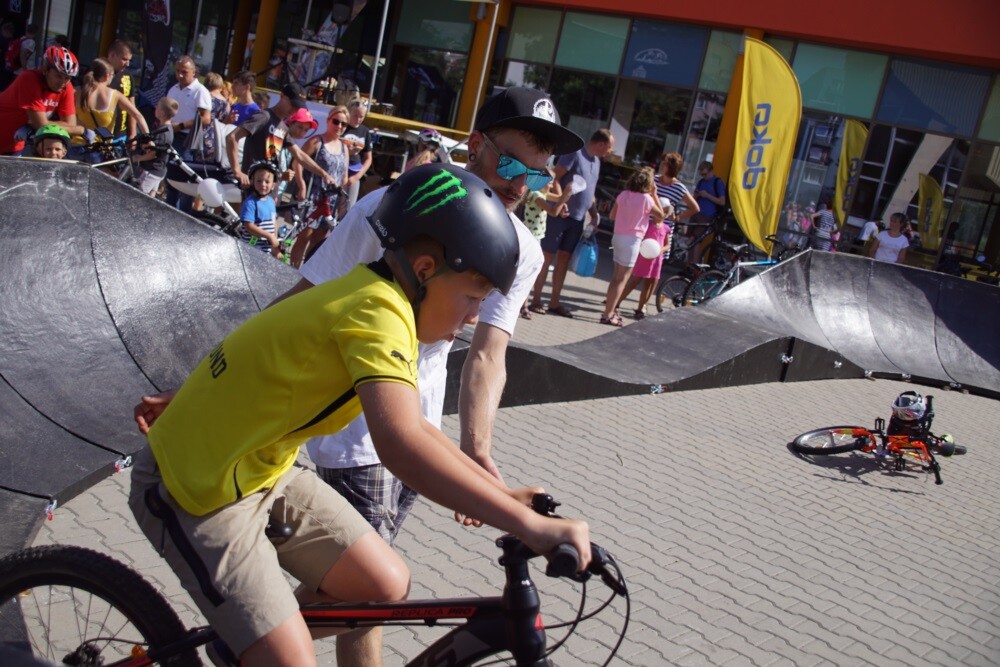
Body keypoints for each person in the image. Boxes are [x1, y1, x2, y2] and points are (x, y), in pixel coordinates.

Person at [133, 87, 583, 664]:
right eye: (472, 298)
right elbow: (393, 429)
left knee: (384, 586)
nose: (475, 317)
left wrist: (491, 480)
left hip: (283, 457)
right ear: (425, 268)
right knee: (297, 653)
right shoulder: (385, 273)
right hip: (204, 484)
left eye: (539, 175)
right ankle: (256, 641)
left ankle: (252, 637)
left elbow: (470, 372)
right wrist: (526, 523)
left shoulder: (407, 290)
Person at [528, 128, 615, 318]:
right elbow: (556, 177)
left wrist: (594, 215)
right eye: (609, 147)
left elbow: (590, 192)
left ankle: (554, 303)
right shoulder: (575, 153)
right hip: (560, 216)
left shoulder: (597, 162)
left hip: (578, 219)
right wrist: (562, 202)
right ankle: (535, 300)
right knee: (546, 257)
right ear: (601, 144)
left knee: (564, 260)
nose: (610, 151)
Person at [225, 82, 336, 189]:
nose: (294, 110)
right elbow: (232, 137)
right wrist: (237, 171)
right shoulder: (265, 116)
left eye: (298, 107)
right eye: (292, 104)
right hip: (253, 187)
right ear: (282, 96)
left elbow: (299, 155)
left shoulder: (283, 127)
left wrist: (324, 174)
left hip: (268, 189)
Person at [600, 168, 664, 326]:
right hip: (632, 240)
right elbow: (661, 215)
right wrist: (654, 194)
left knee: (616, 278)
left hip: (617, 237)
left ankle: (609, 310)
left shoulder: (623, 194)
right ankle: (609, 314)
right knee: (622, 279)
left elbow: (612, 216)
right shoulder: (647, 199)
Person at [289, 104, 350, 268]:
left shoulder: (344, 147)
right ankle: (292, 270)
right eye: (336, 121)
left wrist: (342, 201)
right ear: (328, 120)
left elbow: (344, 176)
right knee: (304, 237)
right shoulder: (317, 141)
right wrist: (301, 185)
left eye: (344, 124)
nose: (339, 126)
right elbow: (298, 161)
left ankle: (307, 272)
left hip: (331, 202)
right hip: (315, 197)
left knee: (319, 241)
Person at [0, 45, 86, 156]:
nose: (63, 82)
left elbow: (70, 124)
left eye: (67, 78)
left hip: (14, 145)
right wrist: (80, 130)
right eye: (58, 76)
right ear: (45, 70)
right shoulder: (29, 79)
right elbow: (41, 125)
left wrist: (39, 125)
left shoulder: (66, 87)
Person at [164, 55, 211, 211]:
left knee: (185, 180)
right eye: (177, 71)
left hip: (187, 139)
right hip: (172, 136)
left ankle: (183, 213)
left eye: (184, 72)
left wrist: (180, 126)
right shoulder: (174, 88)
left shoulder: (200, 91)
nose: (180, 75)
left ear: (193, 72)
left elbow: (205, 119)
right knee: (171, 177)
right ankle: (170, 209)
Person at [74, 57, 149, 151]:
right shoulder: (115, 95)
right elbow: (138, 116)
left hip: (76, 147)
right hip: (99, 150)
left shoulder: (76, 91)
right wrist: (148, 139)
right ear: (107, 76)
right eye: (112, 75)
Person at [519, 167, 564, 319]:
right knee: (527, 272)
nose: (551, 185)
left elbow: (558, 198)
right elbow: (553, 211)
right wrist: (566, 196)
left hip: (536, 237)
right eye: (550, 182)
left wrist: (564, 199)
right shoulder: (537, 195)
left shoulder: (542, 193)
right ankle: (523, 305)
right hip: (531, 237)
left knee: (529, 271)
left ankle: (523, 305)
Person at [618, 199, 673, 318]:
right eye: (660, 211)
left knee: (649, 284)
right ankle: (617, 301)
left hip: (656, 260)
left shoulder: (666, 228)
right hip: (643, 258)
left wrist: (660, 250)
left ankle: (641, 307)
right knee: (634, 281)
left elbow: (667, 244)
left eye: (665, 212)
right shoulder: (647, 224)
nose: (662, 214)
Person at [654, 151, 699, 256]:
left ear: (671, 167)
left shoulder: (679, 187)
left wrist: (678, 218)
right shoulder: (654, 180)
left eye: (664, 163)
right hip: (647, 225)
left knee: (657, 259)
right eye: (662, 162)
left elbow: (695, 208)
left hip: (663, 229)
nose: (661, 165)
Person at [133, 96, 178, 197]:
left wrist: (138, 158)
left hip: (151, 172)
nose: (155, 108)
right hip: (158, 171)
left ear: (162, 113)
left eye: (157, 106)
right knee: (150, 198)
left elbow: (154, 154)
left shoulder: (163, 133)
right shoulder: (167, 128)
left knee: (138, 196)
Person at [239, 160, 282, 257]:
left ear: (273, 186)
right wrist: (269, 236)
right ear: (252, 182)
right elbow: (249, 226)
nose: (263, 184)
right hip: (250, 248)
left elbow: (273, 223)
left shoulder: (271, 202)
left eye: (267, 182)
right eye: (259, 181)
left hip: (265, 250)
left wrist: (275, 248)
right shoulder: (250, 203)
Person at [690, 160, 725, 264]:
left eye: (705, 174)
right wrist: (697, 195)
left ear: (711, 171)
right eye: (702, 175)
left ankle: (695, 265)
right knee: (691, 240)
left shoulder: (717, 182)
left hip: (707, 216)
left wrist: (707, 195)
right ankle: (689, 265)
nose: (703, 177)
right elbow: (693, 197)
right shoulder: (701, 182)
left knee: (696, 240)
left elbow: (722, 201)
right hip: (696, 213)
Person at [342, 97, 373, 209]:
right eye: (355, 115)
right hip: (340, 169)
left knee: (349, 207)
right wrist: (348, 151)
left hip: (354, 171)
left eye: (361, 116)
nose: (358, 119)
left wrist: (358, 176)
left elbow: (368, 158)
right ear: (349, 113)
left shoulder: (365, 131)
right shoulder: (342, 126)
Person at [105, 40, 135, 138]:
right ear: (112, 55)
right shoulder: (97, 73)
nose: (127, 64)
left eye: (129, 60)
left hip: (120, 135)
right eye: (124, 59)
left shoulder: (128, 77)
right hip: (99, 133)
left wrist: (133, 133)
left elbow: (132, 106)